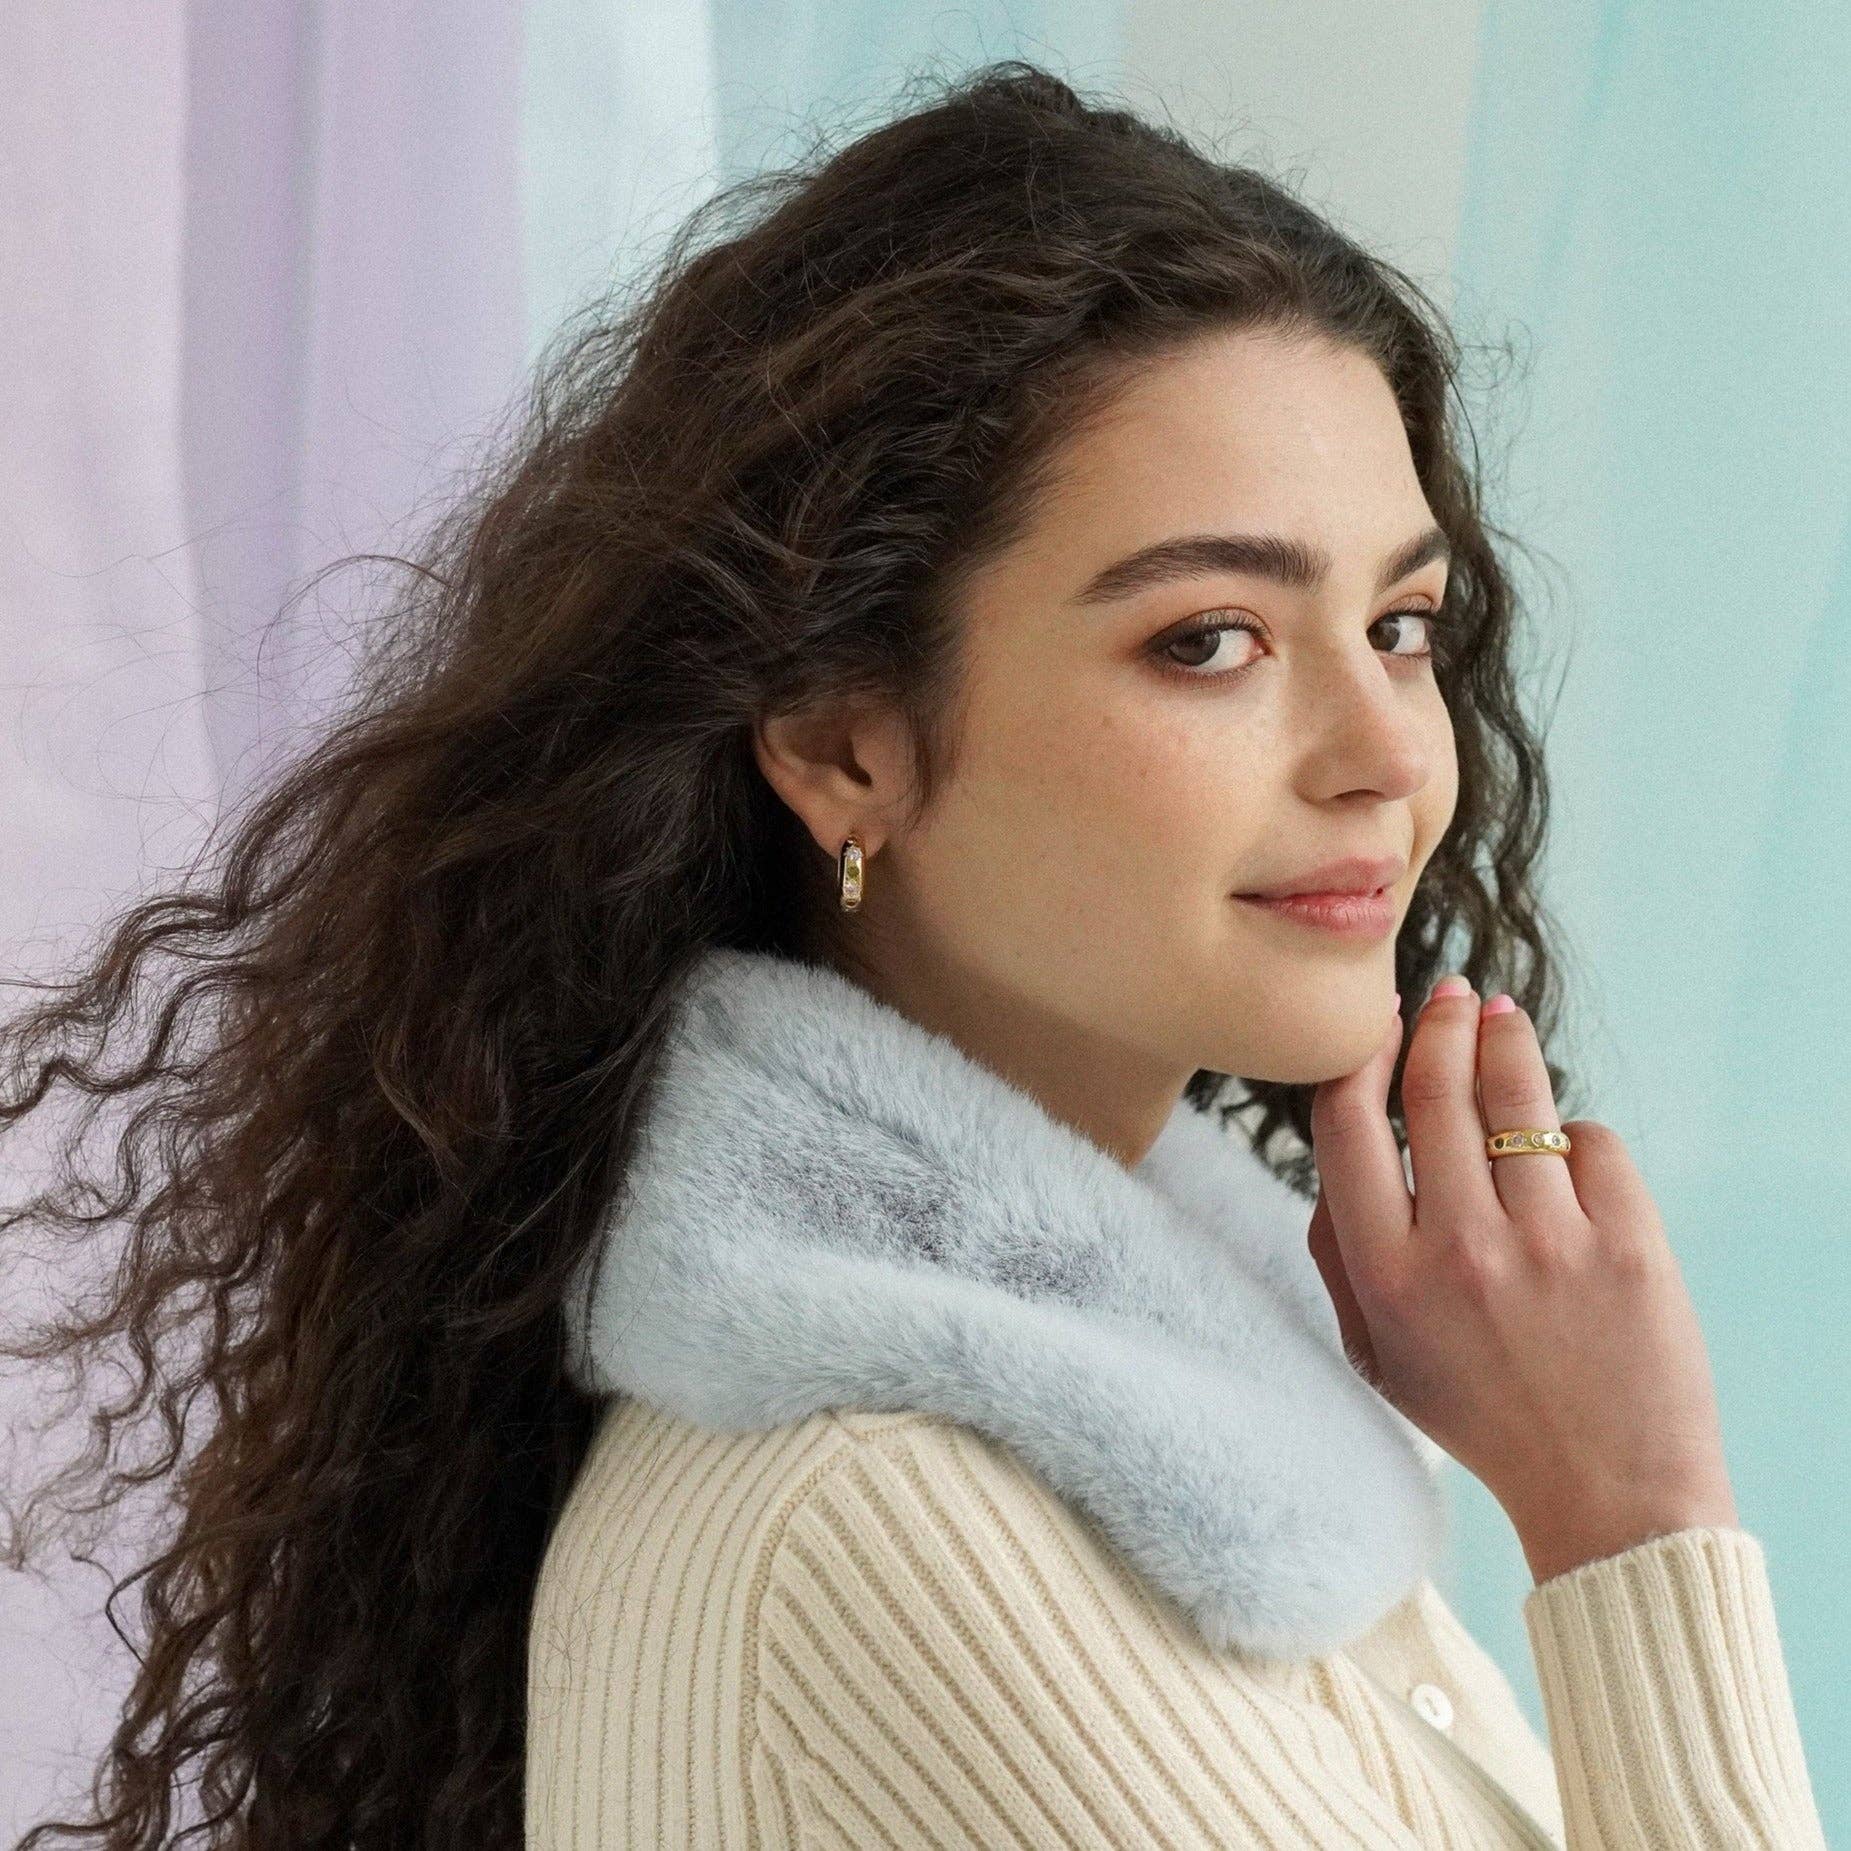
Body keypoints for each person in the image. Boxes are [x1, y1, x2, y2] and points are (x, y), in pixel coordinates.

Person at [2, 62, 1825, 1851]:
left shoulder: (1156, 1466)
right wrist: (1630, 1513)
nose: (1383, 749)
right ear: (842, 742)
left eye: (1402, 622)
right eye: (1210, 639)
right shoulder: (898, 1543)